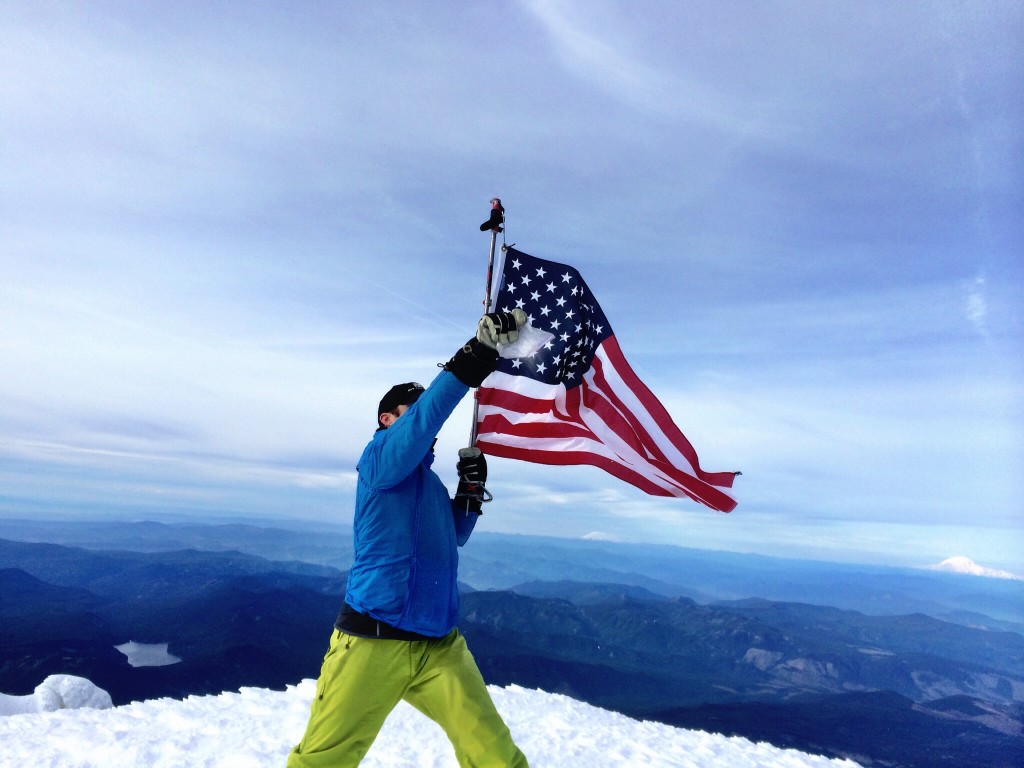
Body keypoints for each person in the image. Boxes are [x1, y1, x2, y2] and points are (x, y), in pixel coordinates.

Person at [288, 311, 530, 768]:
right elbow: (421, 425)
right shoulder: (379, 459)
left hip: (440, 646)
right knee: (323, 761)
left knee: (496, 756)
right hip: (373, 640)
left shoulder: (430, 485)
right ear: (386, 419)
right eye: (411, 411)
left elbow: (453, 537)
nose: (425, 421)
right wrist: (475, 356)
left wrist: (470, 492)